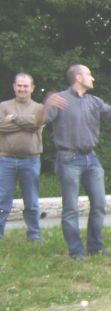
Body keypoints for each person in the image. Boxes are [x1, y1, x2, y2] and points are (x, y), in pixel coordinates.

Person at [38, 64, 111, 259]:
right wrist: (47, 104)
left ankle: (95, 247)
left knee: (99, 204)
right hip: (68, 158)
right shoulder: (61, 100)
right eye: (89, 75)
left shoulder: (94, 101)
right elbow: (38, 122)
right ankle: (75, 251)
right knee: (71, 207)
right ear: (78, 78)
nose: (93, 78)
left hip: (91, 158)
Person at [0, 73, 44, 241]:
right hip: (5, 159)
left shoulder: (40, 108)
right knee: (2, 200)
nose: (22, 89)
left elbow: (37, 124)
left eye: (26, 86)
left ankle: (34, 235)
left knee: (32, 201)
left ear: (32, 88)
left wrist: (15, 119)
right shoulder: (3, 106)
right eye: (19, 85)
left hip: (31, 160)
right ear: (14, 86)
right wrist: (26, 124)